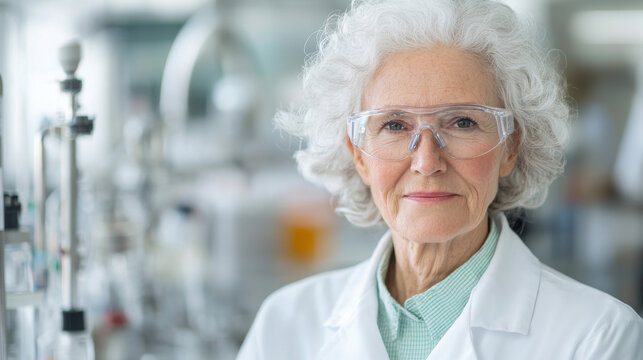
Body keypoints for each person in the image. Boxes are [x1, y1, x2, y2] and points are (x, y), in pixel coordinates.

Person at [237, 0, 643, 359]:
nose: (427, 161)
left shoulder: (597, 338)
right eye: (395, 125)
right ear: (358, 155)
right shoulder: (284, 324)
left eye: (463, 122)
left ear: (511, 147)